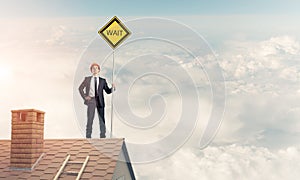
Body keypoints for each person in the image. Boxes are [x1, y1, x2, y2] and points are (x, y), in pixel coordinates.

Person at [79, 63, 115, 138]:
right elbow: (80, 88)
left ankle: (103, 135)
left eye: (96, 68)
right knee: (90, 118)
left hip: (100, 101)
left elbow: (107, 91)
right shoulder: (87, 79)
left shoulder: (103, 81)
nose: (95, 69)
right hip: (91, 100)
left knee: (102, 119)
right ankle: (88, 135)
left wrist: (112, 88)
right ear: (91, 70)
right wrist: (85, 96)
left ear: (99, 70)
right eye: (93, 68)